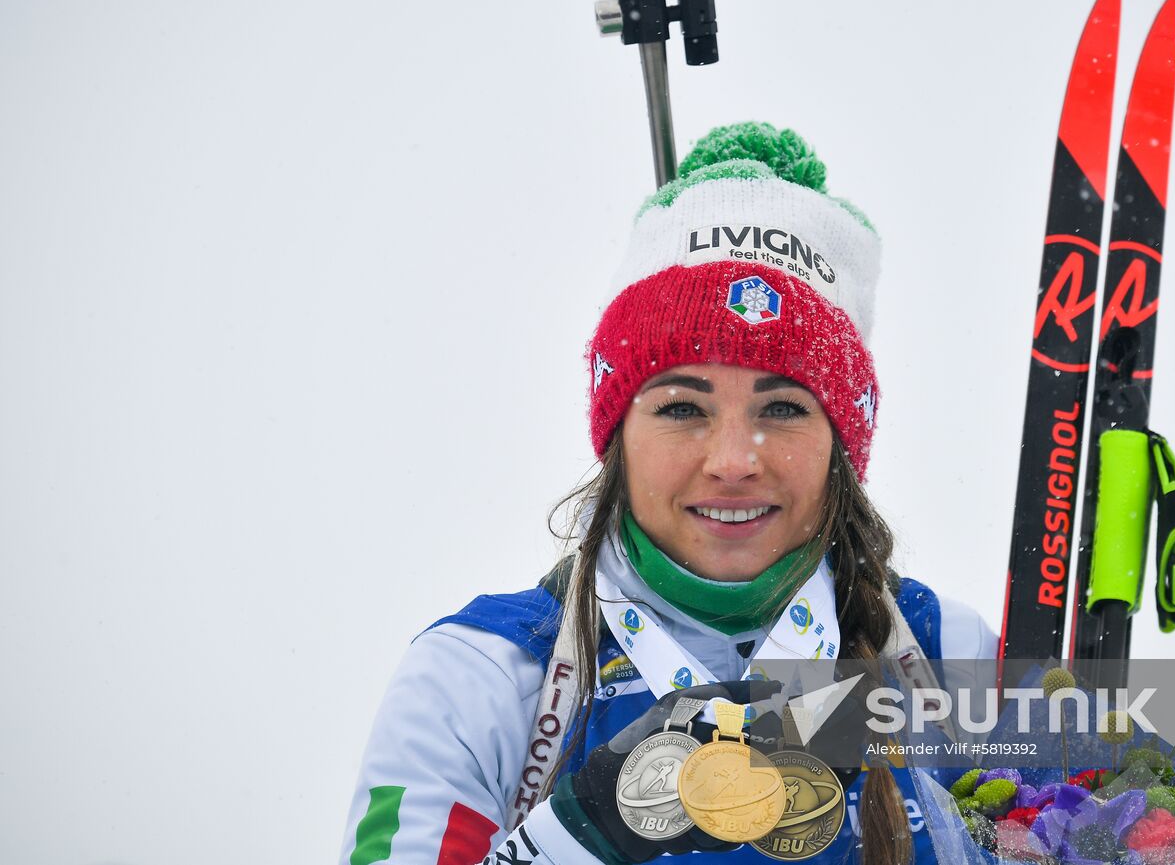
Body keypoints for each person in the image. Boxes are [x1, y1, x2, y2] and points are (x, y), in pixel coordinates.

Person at [339, 123, 999, 864]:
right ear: (619, 431)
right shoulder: (481, 676)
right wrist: (573, 836)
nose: (732, 459)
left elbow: (1122, 812)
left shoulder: (951, 654)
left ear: (842, 442)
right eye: (682, 408)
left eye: (782, 408)